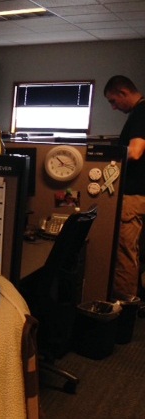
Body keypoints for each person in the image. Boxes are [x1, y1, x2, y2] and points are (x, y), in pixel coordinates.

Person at [104, 75, 145, 298]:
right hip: (139, 195)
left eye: (113, 101)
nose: (113, 107)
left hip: (133, 197)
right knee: (133, 251)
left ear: (123, 92)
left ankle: (123, 307)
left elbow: (136, 151)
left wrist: (107, 161)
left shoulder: (140, 112)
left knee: (124, 253)